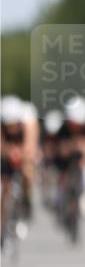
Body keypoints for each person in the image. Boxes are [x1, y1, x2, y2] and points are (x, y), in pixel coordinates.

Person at [1, 95, 39, 236]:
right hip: (7, 153)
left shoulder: (28, 121)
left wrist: (23, 154)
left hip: (24, 150)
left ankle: (26, 198)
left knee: (28, 170)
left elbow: (31, 146)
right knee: (4, 186)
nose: (11, 129)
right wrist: (8, 151)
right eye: (7, 125)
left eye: (14, 125)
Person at [55, 96, 85, 217]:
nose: (75, 126)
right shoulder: (63, 129)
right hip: (65, 161)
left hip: (81, 160)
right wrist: (71, 146)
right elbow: (60, 150)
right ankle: (59, 200)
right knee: (62, 176)